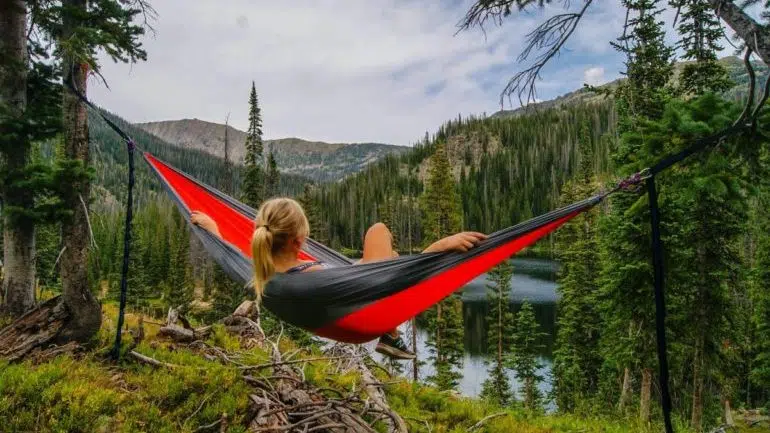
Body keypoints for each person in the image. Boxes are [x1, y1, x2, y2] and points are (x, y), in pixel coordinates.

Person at [191, 197, 487, 360]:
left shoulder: (260, 272)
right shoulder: (312, 278)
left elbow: (231, 255)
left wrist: (213, 231)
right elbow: (390, 284)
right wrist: (437, 249)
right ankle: (391, 334)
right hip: (364, 317)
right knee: (378, 230)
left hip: (343, 299)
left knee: (389, 252)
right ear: (298, 241)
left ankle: (391, 329)